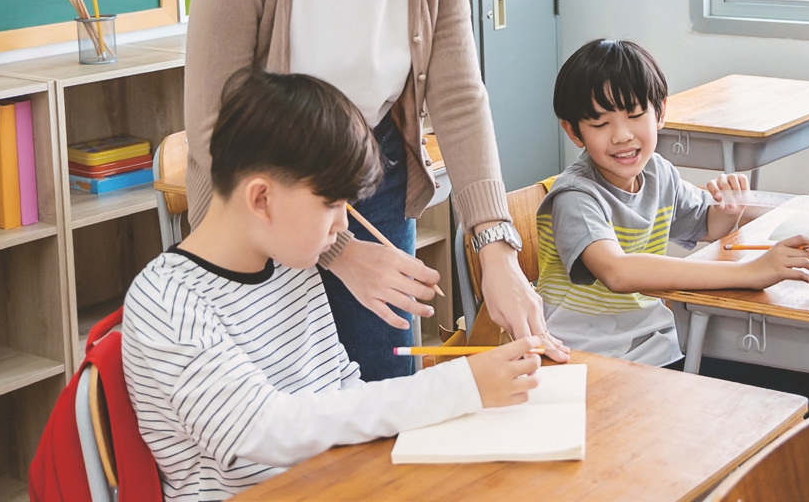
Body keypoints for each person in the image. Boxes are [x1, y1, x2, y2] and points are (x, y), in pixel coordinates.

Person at [185, 0, 569, 381]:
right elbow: (214, 132)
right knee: (289, 401)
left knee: (388, 391)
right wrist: (335, 250)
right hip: (262, 195)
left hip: (372, 172)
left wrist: (496, 250)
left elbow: (460, 98)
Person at [123, 69, 543, 501]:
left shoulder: (290, 265)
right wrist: (454, 387)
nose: (344, 225)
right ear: (261, 199)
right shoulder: (167, 302)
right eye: (332, 205)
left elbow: (342, 388)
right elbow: (267, 430)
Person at [537, 38, 809, 367]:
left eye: (634, 115)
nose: (622, 135)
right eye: (601, 124)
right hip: (583, 354)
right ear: (574, 132)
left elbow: (709, 226)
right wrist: (750, 272)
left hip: (654, 341)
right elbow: (617, 272)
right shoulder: (576, 195)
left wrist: (728, 209)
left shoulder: (659, 173)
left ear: (659, 112)